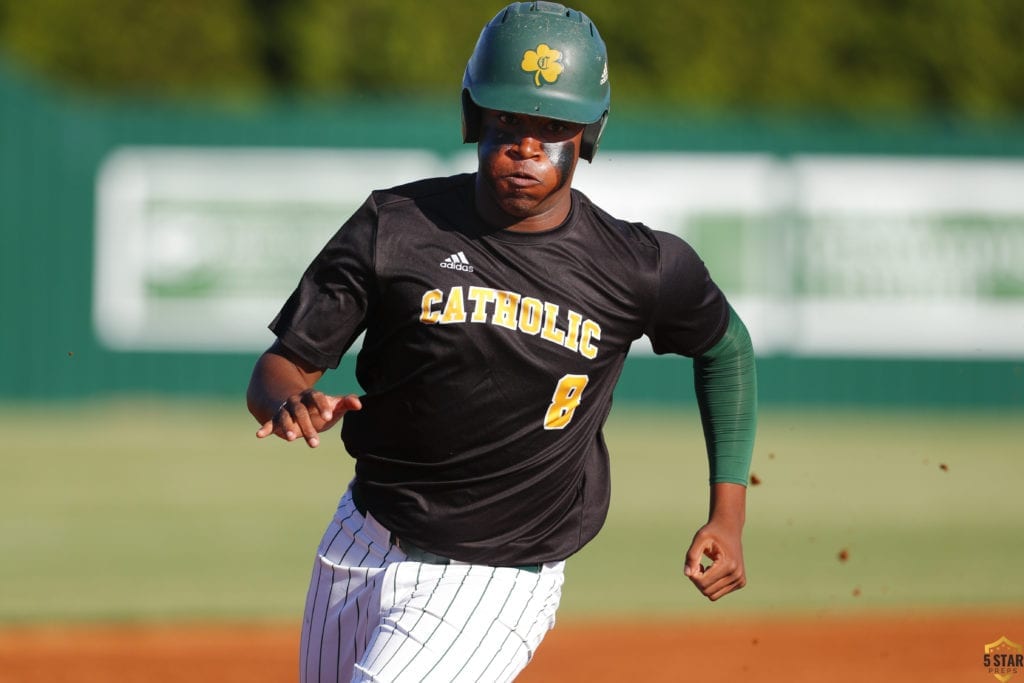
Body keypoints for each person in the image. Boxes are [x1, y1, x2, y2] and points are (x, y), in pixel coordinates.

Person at [247, 2, 758, 681]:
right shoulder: (395, 227)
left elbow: (726, 348)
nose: (525, 145)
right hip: (359, 538)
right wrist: (288, 401)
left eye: (552, 128)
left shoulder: (638, 266)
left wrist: (728, 516)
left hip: (496, 576)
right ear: (472, 119)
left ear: (587, 135)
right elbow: (281, 366)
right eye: (506, 122)